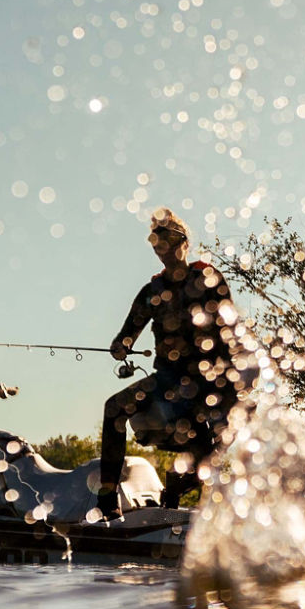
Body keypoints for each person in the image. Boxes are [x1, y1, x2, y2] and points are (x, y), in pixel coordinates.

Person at [97, 209, 240, 517]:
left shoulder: (207, 278)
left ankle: (177, 495)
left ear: (185, 244)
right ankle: (106, 504)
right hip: (166, 381)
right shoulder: (151, 291)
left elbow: (231, 332)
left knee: (207, 457)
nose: (164, 248)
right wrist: (120, 346)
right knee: (113, 409)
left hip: (208, 382)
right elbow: (126, 336)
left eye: (171, 240)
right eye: (157, 242)